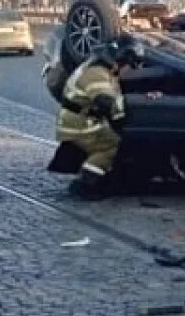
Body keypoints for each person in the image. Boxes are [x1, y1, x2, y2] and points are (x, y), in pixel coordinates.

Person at [55, 38, 143, 199]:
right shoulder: (97, 73)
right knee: (112, 145)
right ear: (123, 60)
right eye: (133, 66)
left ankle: (99, 176)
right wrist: (130, 113)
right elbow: (106, 102)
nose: (133, 71)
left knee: (115, 138)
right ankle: (87, 183)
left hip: (81, 120)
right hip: (80, 124)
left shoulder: (100, 68)